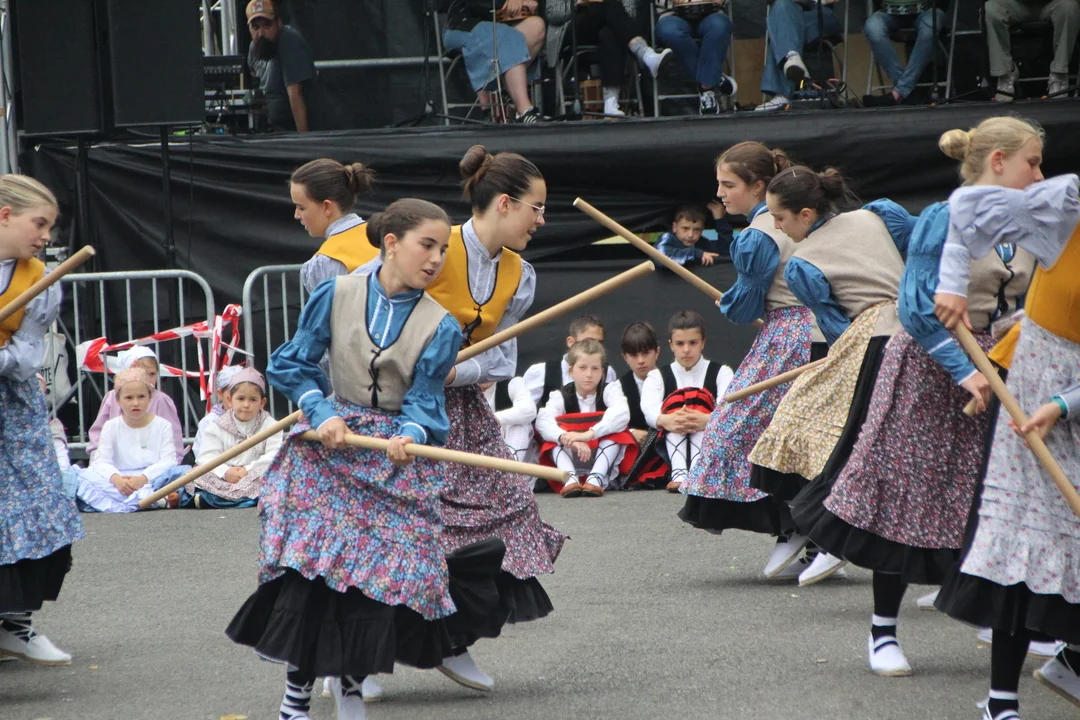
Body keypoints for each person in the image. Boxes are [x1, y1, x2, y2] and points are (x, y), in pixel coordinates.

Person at [227, 199, 506, 720]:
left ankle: (351, 684)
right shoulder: (337, 294)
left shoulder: (441, 325)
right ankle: (296, 696)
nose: (436, 259)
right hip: (329, 449)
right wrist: (320, 411)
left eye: (443, 250)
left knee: (378, 578)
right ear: (391, 243)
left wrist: (411, 432)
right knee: (313, 569)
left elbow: (426, 400)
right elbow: (293, 362)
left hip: (393, 462)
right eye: (427, 246)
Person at [795, 118, 1041, 679]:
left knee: (985, 494)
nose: (1039, 175)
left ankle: (989, 610)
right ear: (997, 161)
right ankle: (883, 629)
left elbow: (1018, 304)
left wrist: (1013, 341)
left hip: (996, 365)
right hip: (929, 366)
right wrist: (965, 371)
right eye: (1032, 162)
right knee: (908, 496)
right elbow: (914, 305)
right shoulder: (942, 219)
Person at [355, 145, 565, 691]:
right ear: (504, 203)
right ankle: (357, 657)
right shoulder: (432, 245)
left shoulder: (519, 273)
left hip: (463, 408)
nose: (542, 220)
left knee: (508, 508)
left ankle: (452, 639)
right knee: (404, 528)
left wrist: (455, 373)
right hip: (398, 406)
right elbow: (367, 310)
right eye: (537, 208)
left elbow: (500, 359)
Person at [930, 121, 1080, 718]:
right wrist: (951, 286)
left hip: (1067, 398)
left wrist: (1064, 405)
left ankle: (1071, 662)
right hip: (1038, 380)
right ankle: (1001, 702)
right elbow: (966, 207)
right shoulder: (1066, 205)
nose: (1039, 175)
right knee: (1027, 540)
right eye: (1032, 162)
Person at [749, 166, 910, 587]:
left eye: (779, 218)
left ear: (805, 214)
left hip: (871, 340)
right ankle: (820, 528)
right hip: (918, 327)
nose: (777, 227)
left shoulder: (803, 263)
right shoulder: (877, 215)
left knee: (811, 428)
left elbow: (838, 327)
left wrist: (844, 362)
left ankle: (829, 531)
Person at [678, 142, 820, 579]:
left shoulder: (759, 233)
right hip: (805, 329)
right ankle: (802, 530)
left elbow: (742, 310)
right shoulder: (785, 221)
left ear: (758, 186)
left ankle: (801, 527)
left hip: (793, 335)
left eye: (728, 184)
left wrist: (732, 302)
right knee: (785, 433)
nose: (720, 193)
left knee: (737, 427)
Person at [0, 175, 83, 666]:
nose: (47, 236)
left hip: (13, 406)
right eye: (40, 223)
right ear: (4, 215)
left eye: (50, 226)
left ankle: (15, 624)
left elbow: (29, 353)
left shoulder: (40, 280)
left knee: (33, 503)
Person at [75, 368, 191, 513]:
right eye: (129, 398)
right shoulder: (111, 426)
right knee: (82, 476)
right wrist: (117, 479)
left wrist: (143, 478)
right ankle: (152, 499)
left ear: (150, 397)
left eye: (141, 397)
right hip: (119, 479)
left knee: (183, 472)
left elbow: (169, 460)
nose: (135, 403)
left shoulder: (163, 425)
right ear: (118, 400)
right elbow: (101, 461)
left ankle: (147, 497)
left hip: (153, 478)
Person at [642, 311, 733, 493]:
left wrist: (707, 420)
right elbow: (649, 410)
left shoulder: (722, 372)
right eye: (680, 343)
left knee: (701, 414)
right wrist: (667, 420)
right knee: (676, 414)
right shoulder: (656, 376)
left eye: (693, 343)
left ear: (703, 343)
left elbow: (729, 408)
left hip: (712, 445)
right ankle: (679, 472)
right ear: (671, 345)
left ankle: (699, 472)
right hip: (667, 449)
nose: (686, 350)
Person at [537, 338, 635, 497]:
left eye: (595, 368)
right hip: (571, 456)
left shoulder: (610, 390)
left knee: (618, 434)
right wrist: (567, 439)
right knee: (552, 440)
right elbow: (543, 421)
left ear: (602, 372)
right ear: (571, 371)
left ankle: (595, 478)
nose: (589, 374)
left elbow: (622, 413)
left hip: (601, 459)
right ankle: (569, 479)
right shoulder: (560, 396)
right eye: (582, 368)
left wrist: (589, 434)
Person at [190, 368, 283, 509]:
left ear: (262, 403)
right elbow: (206, 457)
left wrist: (248, 470)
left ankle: (214, 501)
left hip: (254, 475)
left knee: (278, 474)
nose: (246, 405)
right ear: (229, 400)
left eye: (253, 399)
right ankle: (241, 499)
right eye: (240, 399)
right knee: (195, 475)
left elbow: (274, 455)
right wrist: (225, 472)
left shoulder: (271, 425)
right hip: (226, 478)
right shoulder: (216, 426)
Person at [443, 0, 547, 123]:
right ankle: (524, 111)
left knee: (536, 26)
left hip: (502, 23)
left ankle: (507, 88)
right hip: (464, 24)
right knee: (508, 37)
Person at [245, 0, 336, 131]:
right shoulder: (254, 47)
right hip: (269, 129)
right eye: (255, 27)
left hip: (293, 130)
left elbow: (295, 94)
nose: (261, 33)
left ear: (278, 22)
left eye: (267, 26)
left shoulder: (290, 41)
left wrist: (302, 139)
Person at [573, 0, 673, 117]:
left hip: (612, 24)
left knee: (609, 34)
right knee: (609, 4)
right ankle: (645, 54)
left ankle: (610, 103)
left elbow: (630, 10)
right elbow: (556, 13)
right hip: (576, 26)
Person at [86, 346, 184, 464]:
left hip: (153, 464)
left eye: (152, 374)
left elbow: (173, 438)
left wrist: (171, 463)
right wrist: (96, 459)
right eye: (142, 373)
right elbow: (98, 432)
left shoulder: (161, 400)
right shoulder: (112, 397)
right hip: (114, 464)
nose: (148, 379)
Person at [294, 158, 378, 295]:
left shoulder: (324, 262)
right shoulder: (382, 238)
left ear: (327, 207)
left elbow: (329, 308)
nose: (296, 215)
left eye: (301, 208)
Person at [985, 0, 1080, 101]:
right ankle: (1005, 73)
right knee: (991, 9)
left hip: (1053, 3)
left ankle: (1059, 74)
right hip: (1016, 4)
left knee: (1069, 7)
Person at [654, 0, 737, 114]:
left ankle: (707, 86)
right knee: (670, 32)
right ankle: (713, 80)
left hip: (711, 12)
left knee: (719, 27)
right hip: (672, 14)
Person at [756, 0, 840, 112]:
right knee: (782, 8)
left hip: (819, 13)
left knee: (783, 28)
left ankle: (783, 93)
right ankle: (792, 58)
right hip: (790, 13)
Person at [862, 1, 949, 107]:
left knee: (929, 29)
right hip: (888, 11)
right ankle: (906, 91)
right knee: (872, 27)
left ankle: (899, 93)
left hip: (927, 10)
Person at [522, 315, 619, 407]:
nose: (594, 347)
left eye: (599, 343)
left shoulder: (607, 371)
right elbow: (523, 410)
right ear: (570, 342)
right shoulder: (542, 371)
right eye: (588, 341)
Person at [617, 321, 667, 490]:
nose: (640, 361)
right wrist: (631, 432)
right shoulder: (618, 387)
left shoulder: (671, 378)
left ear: (657, 352)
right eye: (633, 355)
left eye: (646, 353)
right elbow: (608, 422)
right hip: (634, 454)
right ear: (625, 357)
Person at [482, 377, 538, 463]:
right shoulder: (464, 389)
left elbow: (529, 410)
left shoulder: (512, 383)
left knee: (519, 424)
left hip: (513, 450)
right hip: (476, 447)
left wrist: (491, 419)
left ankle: (508, 466)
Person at [192, 364, 242, 459]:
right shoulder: (209, 422)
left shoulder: (258, 419)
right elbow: (202, 455)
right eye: (232, 393)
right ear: (220, 394)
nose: (238, 399)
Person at [655, 205, 726, 266]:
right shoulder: (667, 237)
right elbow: (660, 258)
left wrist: (720, 220)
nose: (691, 235)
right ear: (675, 227)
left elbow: (725, 253)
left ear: (702, 230)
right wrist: (696, 254)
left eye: (697, 229)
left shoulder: (703, 243)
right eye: (685, 228)